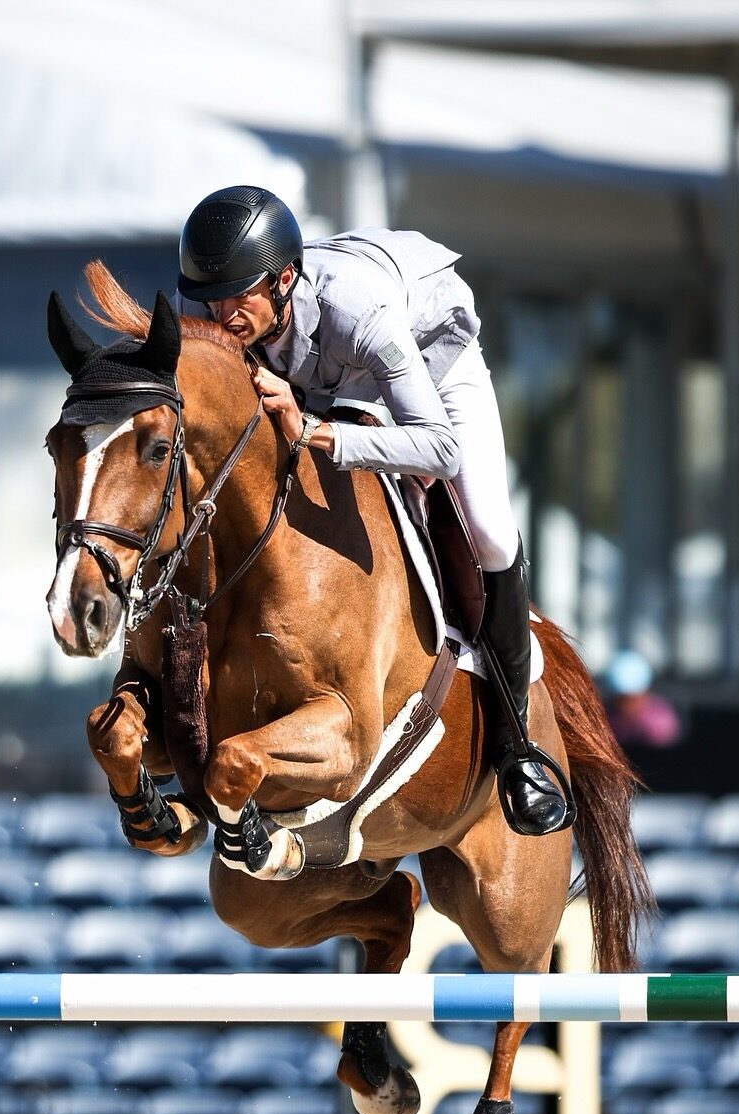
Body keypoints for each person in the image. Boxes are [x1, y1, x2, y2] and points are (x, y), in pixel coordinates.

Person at [175, 185, 571, 835]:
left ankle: (515, 750)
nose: (222, 313)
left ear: (282, 280)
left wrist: (314, 432)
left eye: (236, 294)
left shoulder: (358, 313)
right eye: (209, 297)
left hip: (432, 370)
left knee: (491, 534)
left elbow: (438, 447)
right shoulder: (238, 321)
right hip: (331, 384)